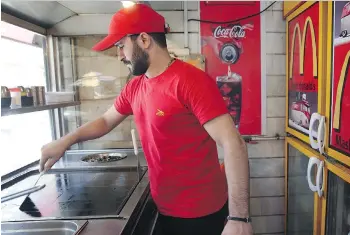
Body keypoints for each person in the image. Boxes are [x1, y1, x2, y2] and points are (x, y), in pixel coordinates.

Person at [39, 3, 253, 235]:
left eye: (121, 45)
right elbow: (105, 121)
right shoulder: (135, 87)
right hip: (165, 206)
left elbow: (234, 144)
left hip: (200, 212)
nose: (119, 54)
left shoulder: (191, 82)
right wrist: (65, 141)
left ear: (143, 40)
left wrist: (239, 218)